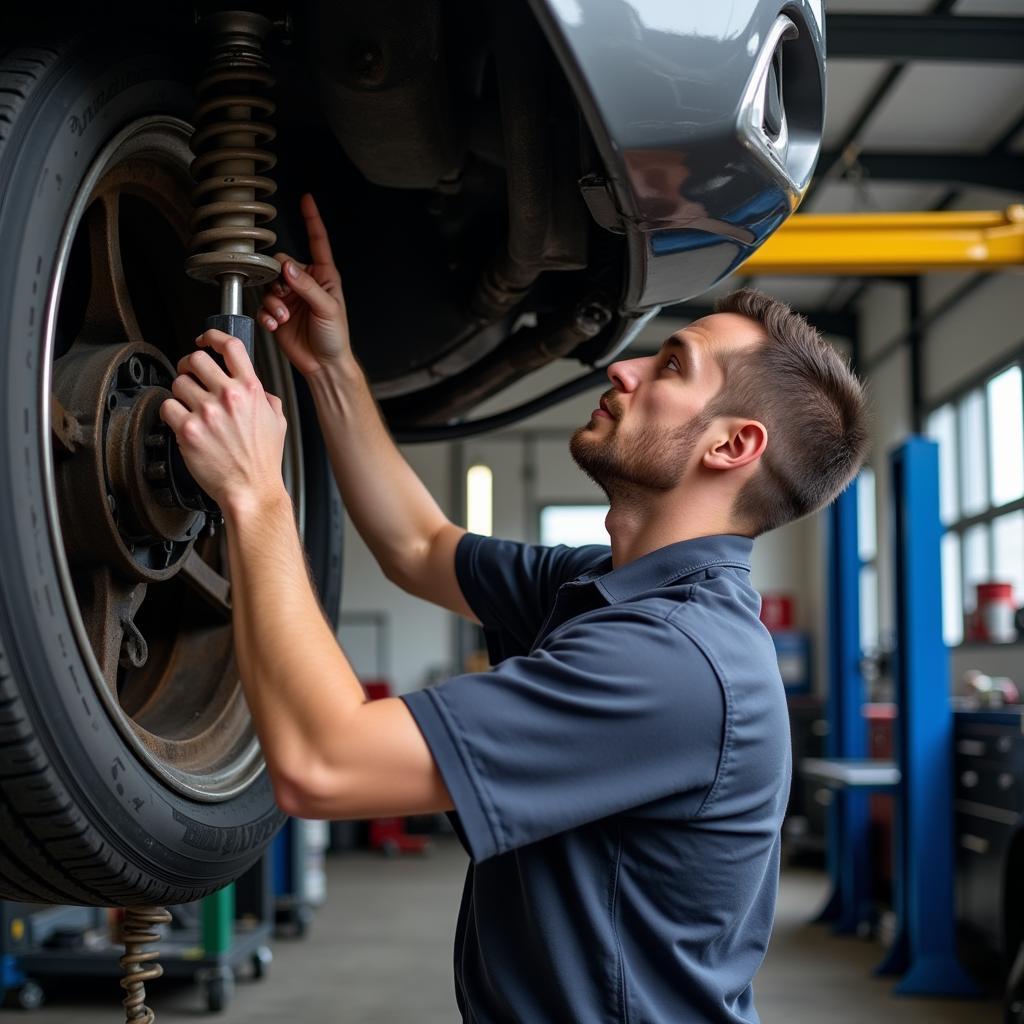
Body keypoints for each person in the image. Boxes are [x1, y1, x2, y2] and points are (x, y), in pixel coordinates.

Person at [160, 193, 869, 1024]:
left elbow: (324, 763)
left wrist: (256, 493)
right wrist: (331, 369)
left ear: (731, 445)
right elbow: (420, 547)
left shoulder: (674, 663)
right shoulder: (609, 591)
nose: (624, 368)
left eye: (671, 366)